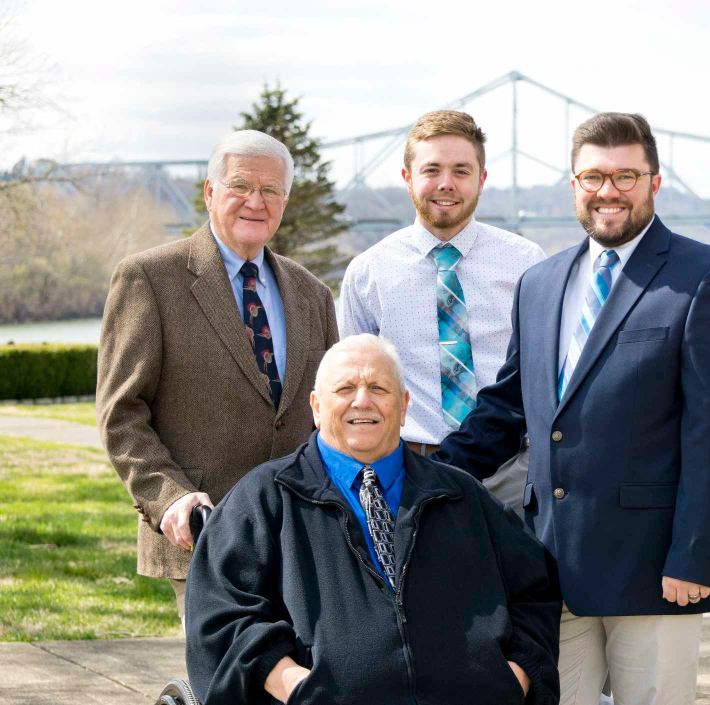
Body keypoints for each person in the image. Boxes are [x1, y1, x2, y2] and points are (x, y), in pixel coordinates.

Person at [436, 113, 710, 705]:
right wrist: (425, 476)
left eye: (625, 176)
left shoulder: (707, 278)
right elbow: (507, 408)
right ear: (573, 185)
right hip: (550, 563)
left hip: (655, 568)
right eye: (593, 177)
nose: (608, 191)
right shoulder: (540, 282)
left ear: (654, 184)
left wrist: (694, 554)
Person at [185, 335, 561, 705]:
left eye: (379, 388)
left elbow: (533, 588)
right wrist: (297, 687)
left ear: (403, 407)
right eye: (345, 388)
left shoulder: (461, 495)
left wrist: (514, 678)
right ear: (316, 407)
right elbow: (223, 610)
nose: (362, 401)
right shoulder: (266, 497)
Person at [96, 129, 339, 621]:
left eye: (270, 190)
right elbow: (121, 414)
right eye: (240, 185)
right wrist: (169, 500)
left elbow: (328, 417)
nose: (255, 201)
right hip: (201, 534)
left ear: (285, 202)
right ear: (210, 192)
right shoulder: (149, 279)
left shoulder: (312, 294)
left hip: (302, 538)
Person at [339, 110, 545, 513]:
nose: (446, 184)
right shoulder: (367, 273)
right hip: (408, 471)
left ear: (481, 180)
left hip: (512, 473)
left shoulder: (527, 264)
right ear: (407, 178)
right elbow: (351, 388)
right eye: (431, 169)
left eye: (461, 171)